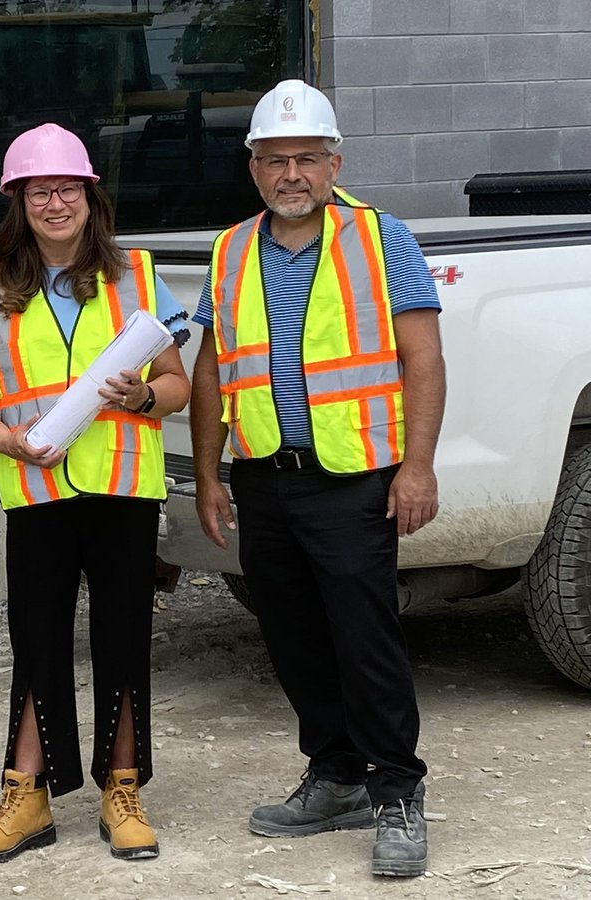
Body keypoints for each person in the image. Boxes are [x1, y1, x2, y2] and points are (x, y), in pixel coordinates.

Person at [189, 80, 445, 878]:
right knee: (292, 634)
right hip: (266, 477)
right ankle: (335, 776)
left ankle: (397, 790)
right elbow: (210, 367)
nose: (290, 173)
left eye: (305, 157)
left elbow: (423, 358)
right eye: (274, 159)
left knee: (365, 638)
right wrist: (207, 473)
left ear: (334, 163)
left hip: (354, 478)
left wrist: (418, 465)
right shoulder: (231, 250)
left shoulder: (381, 238)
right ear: (254, 167)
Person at [0, 123, 192, 864]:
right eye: (38, 191)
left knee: (123, 639)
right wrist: (8, 440)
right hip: (37, 490)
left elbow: (178, 384)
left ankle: (123, 789)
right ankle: (28, 793)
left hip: (121, 490)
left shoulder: (138, 277)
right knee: (38, 643)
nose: (54, 203)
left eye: (66, 189)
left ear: (90, 196)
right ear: (18, 203)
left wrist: (143, 395)